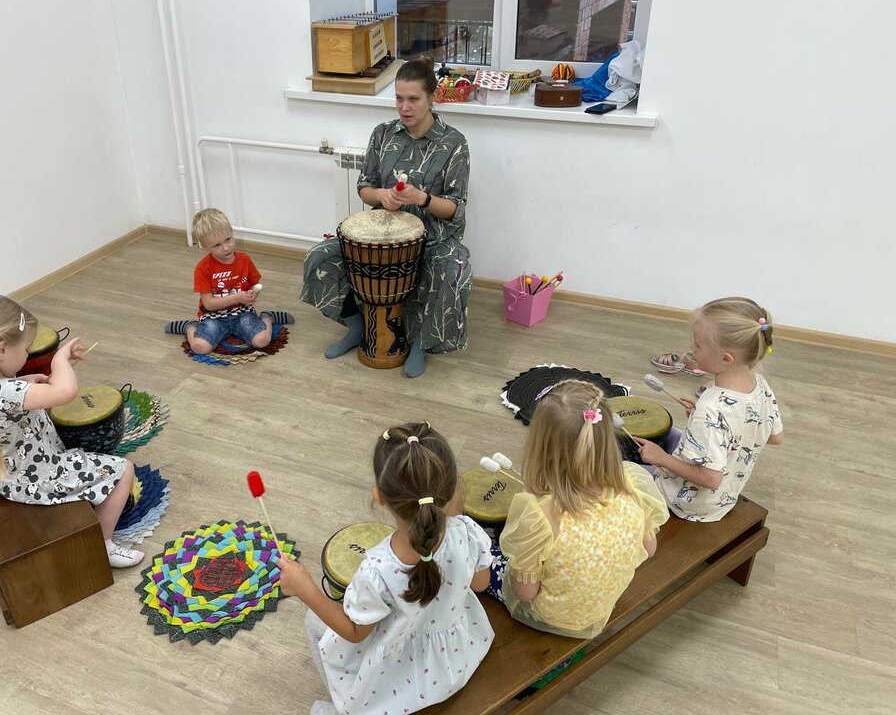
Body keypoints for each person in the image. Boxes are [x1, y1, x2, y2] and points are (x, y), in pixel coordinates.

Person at [277, 422, 493, 715]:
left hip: (402, 677)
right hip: (457, 657)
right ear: (449, 487)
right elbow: (480, 584)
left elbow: (354, 632)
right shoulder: (466, 531)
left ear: (379, 497)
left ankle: (343, 708)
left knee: (313, 623)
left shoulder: (378, 570)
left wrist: (305, 589)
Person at [300, 57, 472, 378]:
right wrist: (383, 196)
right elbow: (365, 187)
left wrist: (422, 198)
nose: (404, 107)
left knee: (454, 271)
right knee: (319, 258)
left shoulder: (453, 144)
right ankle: (357, 327)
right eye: (398, 98)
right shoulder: (382, 135)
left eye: (413, 99)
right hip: (383, 236)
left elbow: (455, 208)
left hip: (434, 238)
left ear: (431, 98)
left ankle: (420, 342)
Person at [0, 294, 144, 568]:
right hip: (38, 476)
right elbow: (65, 392)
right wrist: (60, 360)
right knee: (124, 471)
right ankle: (104, 543)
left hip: (12, 468)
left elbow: (2, 394)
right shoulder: (4, 392)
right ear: (2, 350)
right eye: (27, 349)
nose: (28, 354)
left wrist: (25, 380)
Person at [490, 379, 668, 639]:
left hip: (554, 616)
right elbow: (649, 550)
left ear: (541, 450)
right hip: (604, 601)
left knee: (490, 555)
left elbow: (525, 593)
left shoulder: (540, 516)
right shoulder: (633, 486)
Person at [638, 297, 784, 522]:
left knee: (625, 471)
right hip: (725, 497)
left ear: (726, 359)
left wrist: (662, 459)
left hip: (687, 503)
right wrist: (723, 426)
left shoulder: (710, 409)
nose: (691, 349)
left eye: (697, 345)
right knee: (672, 433)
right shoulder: (759, 384)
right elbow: (775, 436)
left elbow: (710, 478)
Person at [166, 208, 292, 353]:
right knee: (200, 348)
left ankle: (267, 318)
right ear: (204, 246)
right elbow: (208, 304)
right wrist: (237, 297)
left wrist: (253, 293)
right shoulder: (203, 268)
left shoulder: (244, 259)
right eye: (217, 245)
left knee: (262, 341)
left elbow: (255, 284)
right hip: (213, 318)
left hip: (243, 314)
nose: (226, 248)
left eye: (228, 239)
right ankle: (190, 327)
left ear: (232, 233)